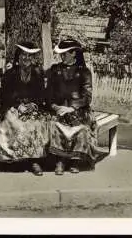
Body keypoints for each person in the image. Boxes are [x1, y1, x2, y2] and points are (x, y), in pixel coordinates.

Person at [0, 42, 50, 176]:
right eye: (23, 55)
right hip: (12, 107)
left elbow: (41, 93)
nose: (26, 58)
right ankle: (17, 160)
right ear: (18, 57)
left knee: (38, 123)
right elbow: (5, 96)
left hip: (32, 107)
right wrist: (19, 106)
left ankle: (34, 161)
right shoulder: (10, 73)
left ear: (34, 58)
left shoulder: (37, 73)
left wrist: (33, 104)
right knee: (16, 123)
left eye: (30, 56)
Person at [47, 38, 97, 175]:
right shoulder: (54, 70)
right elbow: (48, 94)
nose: (62, 56)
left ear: (74, 53)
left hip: (78, 110)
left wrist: (71, 108)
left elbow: (87, 97)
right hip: (58, 108)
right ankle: (60, 161)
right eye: (61, 54)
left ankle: (75, 161)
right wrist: (55, 106)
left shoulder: (84, 72)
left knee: (81, 128)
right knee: (54, 124)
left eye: (66, 53)